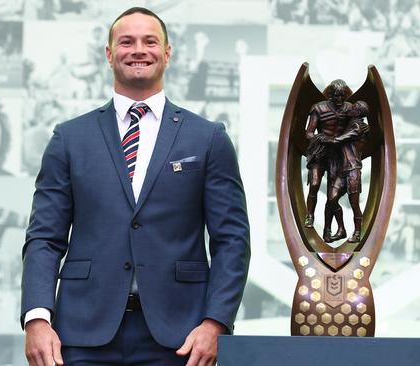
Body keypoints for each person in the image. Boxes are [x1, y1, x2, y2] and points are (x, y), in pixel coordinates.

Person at [21, 7, 250, 366]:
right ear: (110, 54)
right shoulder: (69, 138)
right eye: (126, 41)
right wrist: (37, 318)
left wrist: (216, 322)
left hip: (180, 337)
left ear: (168, 53)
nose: (138, 50)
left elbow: (232, 240)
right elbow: (44, 238)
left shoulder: (208, 139)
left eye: (150, 41)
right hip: (81, 335)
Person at [304, 79, 368, 243]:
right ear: (330, 95)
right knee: (315, 183)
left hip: (339, 157)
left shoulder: (349, 109)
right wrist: (322, 138)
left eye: (342, 96)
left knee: (332, 197)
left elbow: (358, 124)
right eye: (336, 96)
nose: (339, 99)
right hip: (320, 151)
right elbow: (309, 133)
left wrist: (363, 127)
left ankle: (330, 229)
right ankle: (310, 215)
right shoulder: (319, 108)